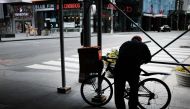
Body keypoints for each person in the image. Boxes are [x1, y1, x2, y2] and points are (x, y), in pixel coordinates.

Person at [114, 36, 151, 109]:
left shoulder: (125, 44)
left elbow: (120, 55)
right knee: (134, 91)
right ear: (140, 40)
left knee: (119, 92)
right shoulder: (143, 45)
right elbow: (148, 58)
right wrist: (140, 62)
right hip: (133, 71)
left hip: (120, 70)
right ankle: (132, 107)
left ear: (132, 39)